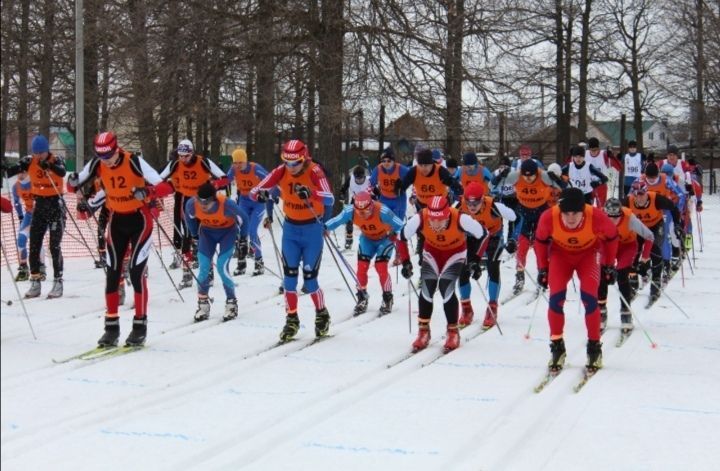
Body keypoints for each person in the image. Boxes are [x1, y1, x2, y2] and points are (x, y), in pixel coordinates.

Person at [68, 131, 173, 347]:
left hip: (140, 221)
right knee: (113, 274)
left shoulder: (134, 161)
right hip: (117, 222)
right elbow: (72, 185)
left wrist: (147, 191)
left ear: (116, 149)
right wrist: (72, 182)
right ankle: (111, 328)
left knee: (135, 272)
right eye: (102, 157)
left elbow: (167, 187)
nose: (107, 161)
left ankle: (140, 326)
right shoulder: (98, 163)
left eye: (110, 156)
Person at [250, 139, 334, 343]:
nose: (291, 167)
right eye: (287, 162)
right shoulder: (281, 170)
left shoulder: (315, 171)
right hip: (291, 230)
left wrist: (311, 193)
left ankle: (322, 313)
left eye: (295, 163)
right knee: (288, 280)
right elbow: (254, 191)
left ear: (303, 159)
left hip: (312, 229)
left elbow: (330, 198)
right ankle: (291, 319)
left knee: (310, 280)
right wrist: (260, 196)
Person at [534, 187, 619, 372]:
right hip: (560, 255)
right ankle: (557, 347)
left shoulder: (596, 216)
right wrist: (542, 269)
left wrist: (610, 264)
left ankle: (594, 348)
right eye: (566, 213)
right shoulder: (548, 217)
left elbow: (612, 237)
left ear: (584, 210)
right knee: (556, 298)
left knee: (589, 298)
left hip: (589, 254)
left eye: (576, 213)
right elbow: (540, 241)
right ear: (560, 210)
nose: (571, 218)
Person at [395, 196, 487, 353]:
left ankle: (452, 331)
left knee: (446, 285)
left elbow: (484, 235)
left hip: (455, 253)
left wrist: (476, 260)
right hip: (432, 252)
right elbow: (400, 237)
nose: (436, 224)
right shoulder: (421, 217)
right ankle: (423, 331)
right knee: (427, 287)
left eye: (441, 221)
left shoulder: (460, 218)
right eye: (433, 221)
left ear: (448, 215)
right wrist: (405, 262)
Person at [159, 139, 227, 287]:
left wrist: (213, 186)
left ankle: (208, 272)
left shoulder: (203, 162)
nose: (183, 159)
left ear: (192, 153)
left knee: (204, 235)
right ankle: (187, 273)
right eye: (180, 156)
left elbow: (224, 178)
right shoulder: (175, 164)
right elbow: (158, 180)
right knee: (187, 235)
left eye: (186, 156)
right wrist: (159, 190)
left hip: (204, 201)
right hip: (186, 201)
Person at [325, 191, 404, 315]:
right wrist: (325, 228)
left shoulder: (382, 211)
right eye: (359, 212)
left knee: (381, 267)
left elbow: (401, 225)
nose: (362, 215)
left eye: (366, 212)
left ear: (371, 207)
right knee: (361, 268)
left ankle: (387, 298)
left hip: (385, 239)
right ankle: (362, 297)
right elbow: (337, 220)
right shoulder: (349, 211)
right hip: (367, 239)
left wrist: (395, 234)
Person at [492, 158, 561, 296]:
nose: (528, 179)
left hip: (541, 213)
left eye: (531, 176)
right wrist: (500, 175)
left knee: (538, 248)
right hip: (524, 212)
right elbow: (492, 186)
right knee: (522, 247)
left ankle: (542, 275)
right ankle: (519, 277)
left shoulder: (544, 176)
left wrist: (557, 179)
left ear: (537, 173)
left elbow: (566, 187)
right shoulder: (516, 176)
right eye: (526, 176)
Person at [185, 182, 249, 322]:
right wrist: (194, 235)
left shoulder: (226, 204)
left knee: (221, 266)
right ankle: (203, 305)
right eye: (200, 201)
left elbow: (244, 218)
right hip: (207, 233)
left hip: (227, 233)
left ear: (213, 199)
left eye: (206, 202)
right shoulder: (192, 204)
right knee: (204, 268)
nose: (203, 205)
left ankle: (231, 302)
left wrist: (244, 239)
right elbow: (189, 218)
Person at [457, 182, 516, 330]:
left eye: (476, 202)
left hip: (492, 237)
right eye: (468, 202)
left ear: (482, 199)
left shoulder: (494, 206)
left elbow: (515, 217)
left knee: (492, 267)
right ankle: (466, 308)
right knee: (463, 270)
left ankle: (492, 307)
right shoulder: (458, 206)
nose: (471, 206)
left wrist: (512, 238)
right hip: (471, 238)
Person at [623, 180, 682, 306]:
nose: (639, 198)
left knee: (655, 249)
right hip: (638, 228)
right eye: (636, 195)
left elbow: (673, 207)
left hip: (655, 226)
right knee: (634, 251)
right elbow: (615, 211)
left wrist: (677, 224)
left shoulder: (656, 199)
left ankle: (656, 280)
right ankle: (633, 281)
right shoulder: (628, 201)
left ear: (646, 193)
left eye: (642, 194)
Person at [599, 198, 654, 333]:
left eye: (616, 217)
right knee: (602, 274)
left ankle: (626, 312)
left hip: (626, 246)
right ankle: (601, 310)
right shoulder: (598, 216)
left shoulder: (629, 218)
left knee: (622, 274)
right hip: (606, 246)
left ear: (621, 214)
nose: (612, 220)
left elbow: (649, 236)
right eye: (609, 217)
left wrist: (645, 258)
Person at [23, 135, 66, 298]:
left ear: (46, 150)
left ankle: (58, 281)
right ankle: (35, 280)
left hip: (55, 205)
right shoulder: (29, 161)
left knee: (54, 246)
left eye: (41, 152)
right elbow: (15, 169)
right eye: (36, 153)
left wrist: (48, 165)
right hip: (40, 206)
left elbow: (61, 172)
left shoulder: (56, 159)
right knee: (34, 243)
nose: (38, 155)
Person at [226, 148, 271, 276]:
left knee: (252, 230)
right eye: (235, 163)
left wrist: (269, 193)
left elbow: (270, 179)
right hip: (244, 200)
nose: (238, 165)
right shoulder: (234, 169)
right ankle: (241, 264)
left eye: (240, 162)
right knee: (241, 231)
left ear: (245, 161)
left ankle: (259, 262)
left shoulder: (255, 168)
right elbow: (225, 180)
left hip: (258, 202)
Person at [10, 157, 44, 282]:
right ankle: (24, 267)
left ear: (27, 172)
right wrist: (20, 217)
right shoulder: (16, 187)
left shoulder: (34, 182)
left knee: (36, 239)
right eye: (18, 172)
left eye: (22, 172)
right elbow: (17, 203)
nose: (19, 174)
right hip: (29, 215)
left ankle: (41, 266)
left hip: (40, 214)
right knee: (21, 239)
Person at [369, 147, 409, 220]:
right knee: (383, 221)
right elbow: (370, 184)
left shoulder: (401, 169)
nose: (386, 163)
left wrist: (403, 185)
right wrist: (369, 196)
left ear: (393, 161)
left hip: (399, 199)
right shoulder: (378, 169)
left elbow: (413, 177)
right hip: (384, 198)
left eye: (389, 161)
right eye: (383, 161)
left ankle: (398, 230)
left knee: (397, 222)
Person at [338, 165, 371, 249]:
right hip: (355, 199)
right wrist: (342, 194)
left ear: (364, 176)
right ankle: (349, 239)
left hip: (366, 202)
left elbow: (376, 191)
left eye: (361, 179)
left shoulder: (368, 181)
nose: (359, 180)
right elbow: (344, 188)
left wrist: (377, 196)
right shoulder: (351, 179)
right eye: (357, 179)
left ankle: (369, 237)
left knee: (368, 218)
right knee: (350, 217)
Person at [584, 137, 620, 206]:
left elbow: (619, 167)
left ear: (598, 148)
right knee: (587, 208)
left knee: (601, 209)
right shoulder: (585, 154)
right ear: (589, 148)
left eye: (595, 150)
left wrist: (612, 156)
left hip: (601, 185)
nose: (594, 152)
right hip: (588, 186)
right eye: (592, 150)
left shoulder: (604, 155)